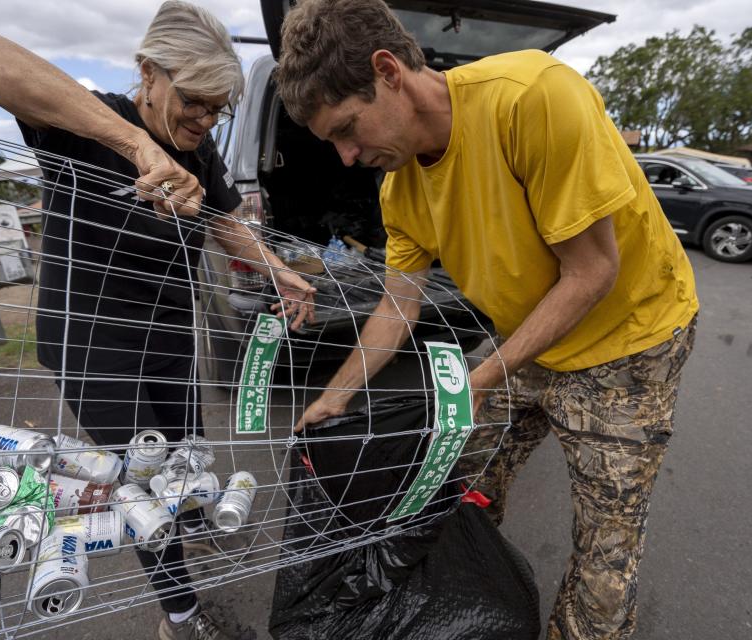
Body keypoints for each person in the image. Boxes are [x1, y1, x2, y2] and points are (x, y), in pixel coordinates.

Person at [278, 1, 698, 638]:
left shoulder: (531, 99)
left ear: (387, 71)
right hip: (529, 336)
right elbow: (398, 305)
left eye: (347, 128)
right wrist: (334, 398)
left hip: (628, 343)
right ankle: (468, 609)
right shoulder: (399, 187)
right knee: (446, 482)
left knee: (604, 551)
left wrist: (478, 381)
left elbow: (590, 273)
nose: (345, 155)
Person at [0, 3, 314, 639]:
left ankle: (199, 524)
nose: (204, 119)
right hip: (94, 344)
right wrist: (137, 146)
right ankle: (180, 616)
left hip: (170, 331)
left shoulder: (199, 153)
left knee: (188, 451)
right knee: (140, 484)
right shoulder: (89, 123)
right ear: (149, 72)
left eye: (218, 108)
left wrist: (277, 269)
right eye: (194, 101)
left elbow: (227, 222)